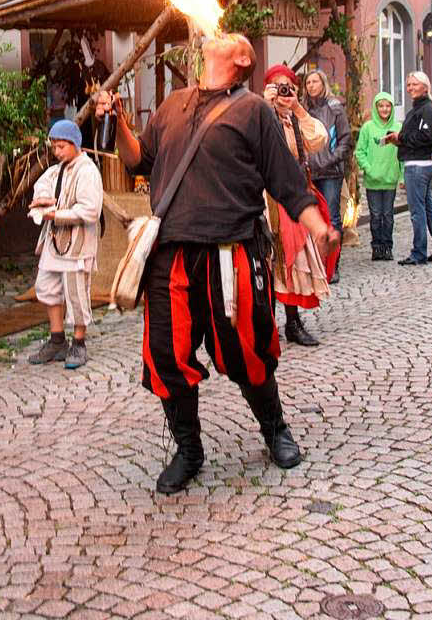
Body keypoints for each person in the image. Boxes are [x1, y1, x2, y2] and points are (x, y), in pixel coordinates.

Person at [96, 33, 339, 495]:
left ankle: (275, 429)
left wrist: (318, 226)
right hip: (171, 256)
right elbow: (138, 161)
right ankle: (189, 450)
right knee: (165, 355)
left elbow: (286, 181)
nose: (216, 35)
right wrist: (121, 123)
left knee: (248, 351)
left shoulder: (254, 111)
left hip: (231, 253)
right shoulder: (173, 104)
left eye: (231, 38)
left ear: (242, 59)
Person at [262, 63, 335, 347]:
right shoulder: (259, 115)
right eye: (277, 86)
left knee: (295, 261)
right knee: (269, 262)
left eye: (288, 86)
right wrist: (265, 105)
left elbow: (320, 140)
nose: (283, 91)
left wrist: (298, 109)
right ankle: (266, 323)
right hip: (266, 200)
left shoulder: (296, 120)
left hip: (294, 199)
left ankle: (292, 322)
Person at [27, 119, 103, 370]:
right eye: (55, 147)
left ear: (74, 144)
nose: (57, 152)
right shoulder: (58, 169)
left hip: (77, 244)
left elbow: (90, 210)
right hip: (54, 240)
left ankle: (79, 343)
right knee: (46, 285)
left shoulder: (87, 171)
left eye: (61, 146)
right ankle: (57, 338)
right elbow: (42, 185)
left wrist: (56, 214)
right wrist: (42, 200)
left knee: (76, 292)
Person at [385, 71, 432, 265]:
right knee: (428, 209)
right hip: (421, 163)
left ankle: (419, 253)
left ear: (425, 87)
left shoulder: (427, 110)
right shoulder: (419, 108)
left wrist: (401, 138)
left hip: (418, 166)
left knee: (417, 211)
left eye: (414, 84)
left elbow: (425, 137)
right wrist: (399, 138)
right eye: (408, 84)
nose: (410, 87)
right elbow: (418, 136)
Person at [302, 69, 352, 283]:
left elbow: (345, 140)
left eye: (315, 81)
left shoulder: (335, 108)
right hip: (310, 172)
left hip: (331, 172)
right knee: (312, 218)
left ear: (323, 83)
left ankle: (333, 264)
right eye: (308, 82)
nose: (311, 85)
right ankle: (317, 264)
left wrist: (330, 160)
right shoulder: (302, 109)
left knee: (331, 216)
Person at [354, 92, 402, 261]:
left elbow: (403, 153)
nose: (384, 109)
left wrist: (401, 176)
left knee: (388, 215)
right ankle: (376, 247)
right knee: (375, 216)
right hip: (373, 181)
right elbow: (359, 152)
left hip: (390, 179)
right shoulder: (368, 128)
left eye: (388, 106)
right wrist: (368, 168)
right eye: (381, 106)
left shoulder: (397, 127)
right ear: (376, 107)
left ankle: (387, 246)